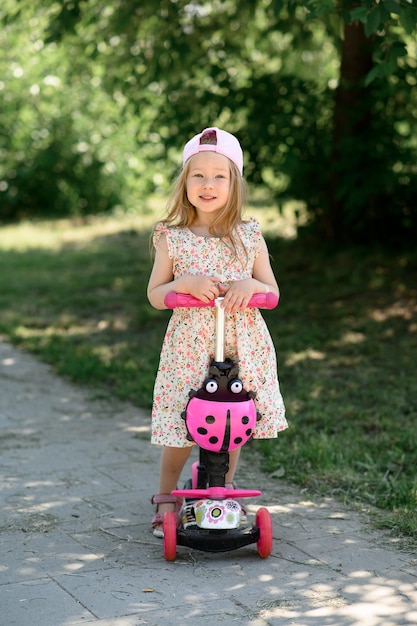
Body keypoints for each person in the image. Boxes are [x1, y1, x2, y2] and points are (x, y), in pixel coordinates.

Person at [147, 126, 287, 537]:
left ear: (234, 183)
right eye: (198, 175)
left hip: (241, 347)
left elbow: (272, 291)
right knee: (181, 427)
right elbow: (156, 294)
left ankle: (220, 491)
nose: (208, 184)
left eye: (219, 176)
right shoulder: (171, 239)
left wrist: (252, 287)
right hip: (189, 351)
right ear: (185, 181)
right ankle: (168, 497)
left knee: (232, 422)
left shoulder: (249, 236)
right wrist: (182, 284)